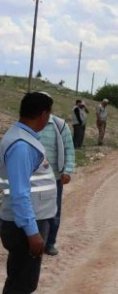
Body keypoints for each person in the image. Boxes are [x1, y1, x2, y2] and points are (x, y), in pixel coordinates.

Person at [0, 91, 57, 293]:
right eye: (49, 114)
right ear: (43, 115)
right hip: (24, 225)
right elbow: (20, 193)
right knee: (21, 285)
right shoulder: (21, 145)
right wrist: (32, 232)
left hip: (26, 221)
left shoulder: (22, 137)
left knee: (22, 280)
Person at [38, 113, 74, 257]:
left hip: (54, 177)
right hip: (33, 177)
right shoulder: (30, 123)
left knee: (54, 211)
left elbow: (69, 149)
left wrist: (68, 170)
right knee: (34, 211)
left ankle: (50, 243)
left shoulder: (59, 125)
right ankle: (34, 242)